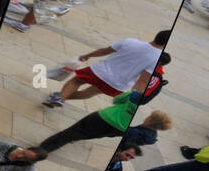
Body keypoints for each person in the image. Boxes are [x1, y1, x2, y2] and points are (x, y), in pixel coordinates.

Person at [43, 30, 170, 109]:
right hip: (118, 84)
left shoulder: (131, 42)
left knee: (76, 82)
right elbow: (142, 81)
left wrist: (88, 55)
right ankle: (60, 98)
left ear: (156, 36)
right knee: (88, 94)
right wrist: (132, 98)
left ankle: (60, 97)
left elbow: (105, 50)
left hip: (100, 71)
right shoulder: (157, 59)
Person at [37, 91, 170, 158]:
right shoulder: (151, 137)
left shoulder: (135, 95)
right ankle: (74, 138)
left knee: (69, 133)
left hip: (103, 118)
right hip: (117, 130)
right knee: (90, 134)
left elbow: (116, 100)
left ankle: (41, 150)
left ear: (150, 121)